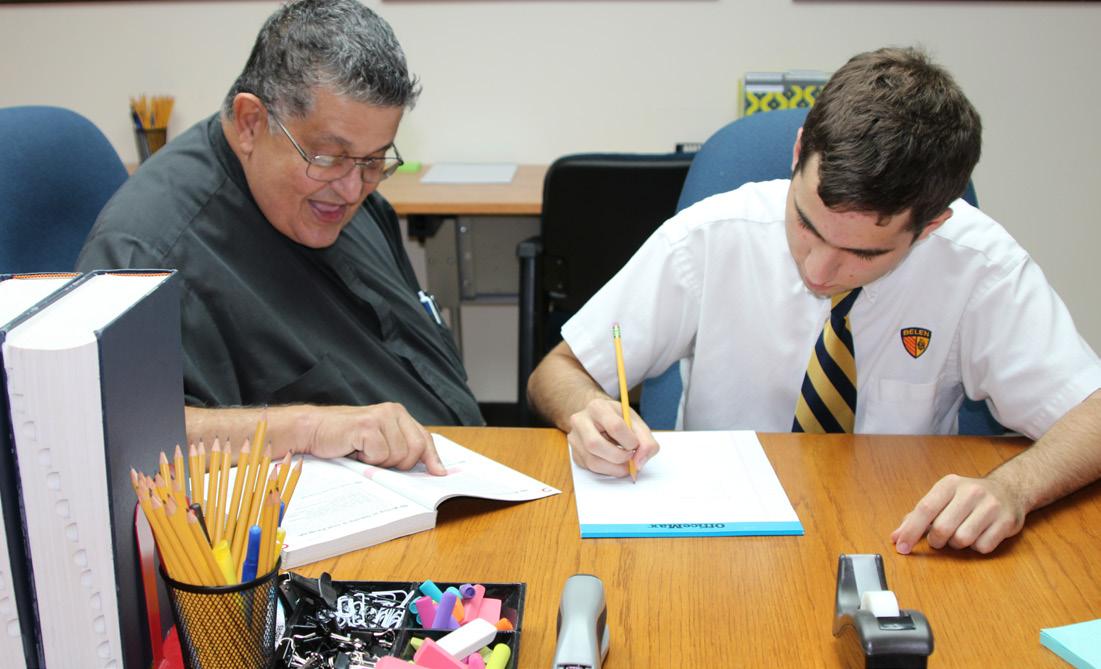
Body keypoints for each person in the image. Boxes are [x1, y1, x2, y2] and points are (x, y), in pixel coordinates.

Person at [528, 47, 1101, 555]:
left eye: (863, 253)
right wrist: (586, 410)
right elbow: (558, 370)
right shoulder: (711, 236)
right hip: (717, 542)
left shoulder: (980, 266)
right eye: (806, 224)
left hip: (899, 535)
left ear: (931, 224)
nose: (819, 270)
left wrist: (1012, 487)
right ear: (800, 151)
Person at [77, 0, 483, 474]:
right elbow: (116, 433)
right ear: (251, 123)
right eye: (328, 156)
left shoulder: (347, 193)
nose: (353, 190)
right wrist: (306, 427)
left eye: (375, 160)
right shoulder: (149, 254)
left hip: (466, 462)